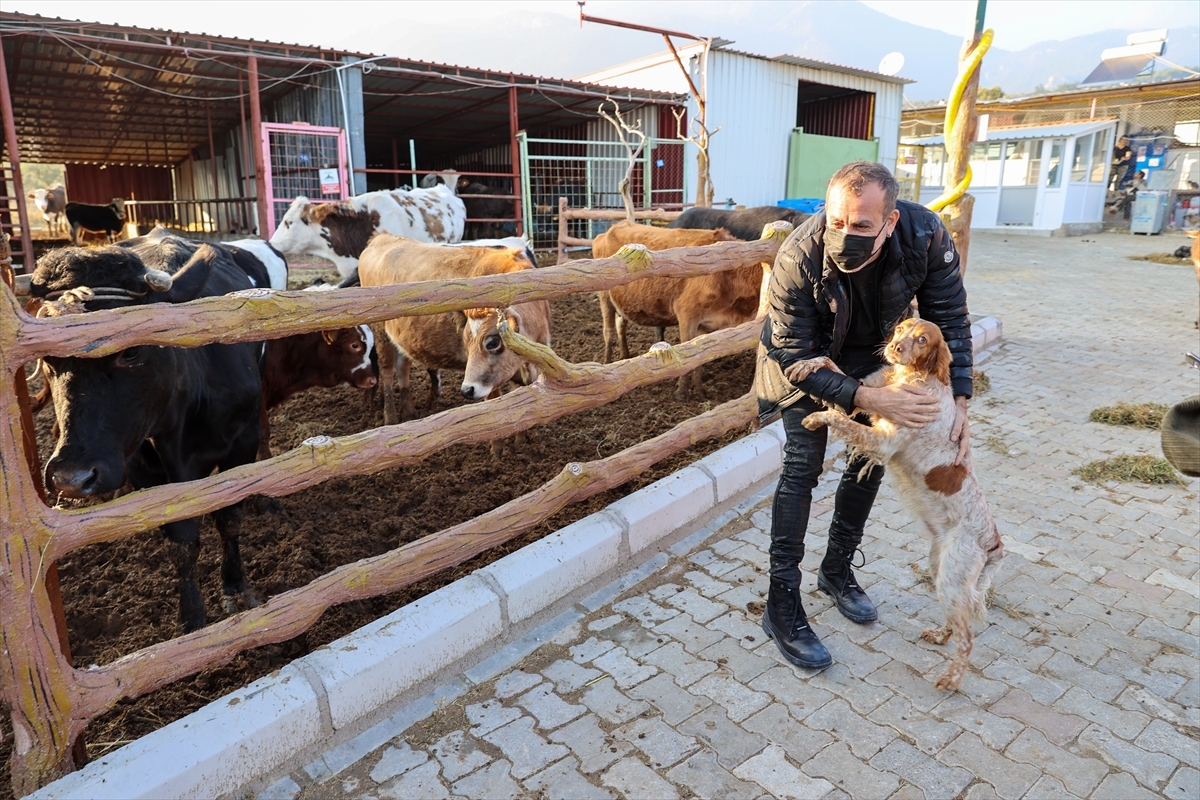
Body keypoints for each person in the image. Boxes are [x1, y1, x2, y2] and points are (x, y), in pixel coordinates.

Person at [754, 161, 973, 669]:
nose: (845, 234)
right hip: (807, 361)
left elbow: (950, 317)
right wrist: (869, 400)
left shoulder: (924, 236)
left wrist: (959, 400)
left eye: (861, 226)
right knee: (801, 470)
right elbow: (792, 355)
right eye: (836, 223)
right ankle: (781, 603)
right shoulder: (798, 257)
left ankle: (836, 569)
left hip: (876, 356)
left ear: (891, 221)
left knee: (868, 462)